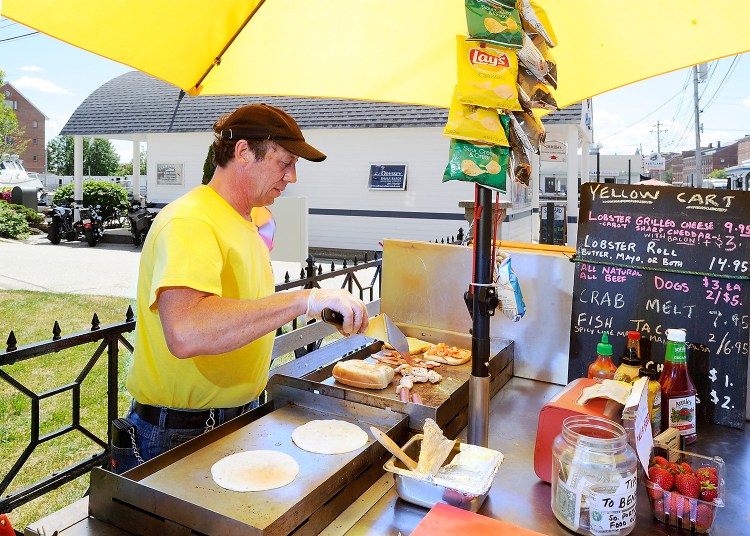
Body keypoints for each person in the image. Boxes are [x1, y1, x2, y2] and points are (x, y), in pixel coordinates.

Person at [110, 104, 369, 473]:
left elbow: (238, 313)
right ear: (244, 151)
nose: (292, 176)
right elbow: (187, 332)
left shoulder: (244, 219)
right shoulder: (191, 220)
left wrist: (313, 306)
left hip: (231, 418)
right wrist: (301, 300)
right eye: (285, 163)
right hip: (180, 431)